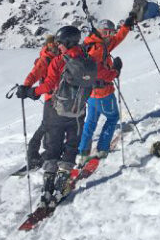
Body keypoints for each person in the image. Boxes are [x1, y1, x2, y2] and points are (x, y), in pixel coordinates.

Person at [16, 25, 119, 208]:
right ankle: (61, 186)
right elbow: (105, 75)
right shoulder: (89, 59)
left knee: (52, 148)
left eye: (61, 43)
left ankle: (47, 190)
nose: (59, 46)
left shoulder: (58, 61)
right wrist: (116, 70)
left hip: (54, 111)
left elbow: (47, 86)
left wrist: (30, 92)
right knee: (71, 147)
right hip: (77, 113)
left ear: (67, 42)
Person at [77, 15, 135, 164]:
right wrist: (115, 71)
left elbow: (116, 40)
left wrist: (126, 27)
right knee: (113, 117)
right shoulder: (97, 49)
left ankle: (83, 151)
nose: (109, 36)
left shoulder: (94, 43)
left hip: (91, 93)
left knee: (91, 121)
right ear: (99, 31)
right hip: (103, 92)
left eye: (110, 32)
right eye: (106, 32)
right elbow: (100, 73)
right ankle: (102, 148)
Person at [20, 33, 60, 169]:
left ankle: (46, 150)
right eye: (51, 43)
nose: (54, 45)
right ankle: (33, 153)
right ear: (47, 45)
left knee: (52, 125)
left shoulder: (58, 56)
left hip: (60, 97)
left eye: (55, 43)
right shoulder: (45, 59)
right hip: (51, 98)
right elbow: (34, 74)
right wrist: (26, 87)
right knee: (47, 125)